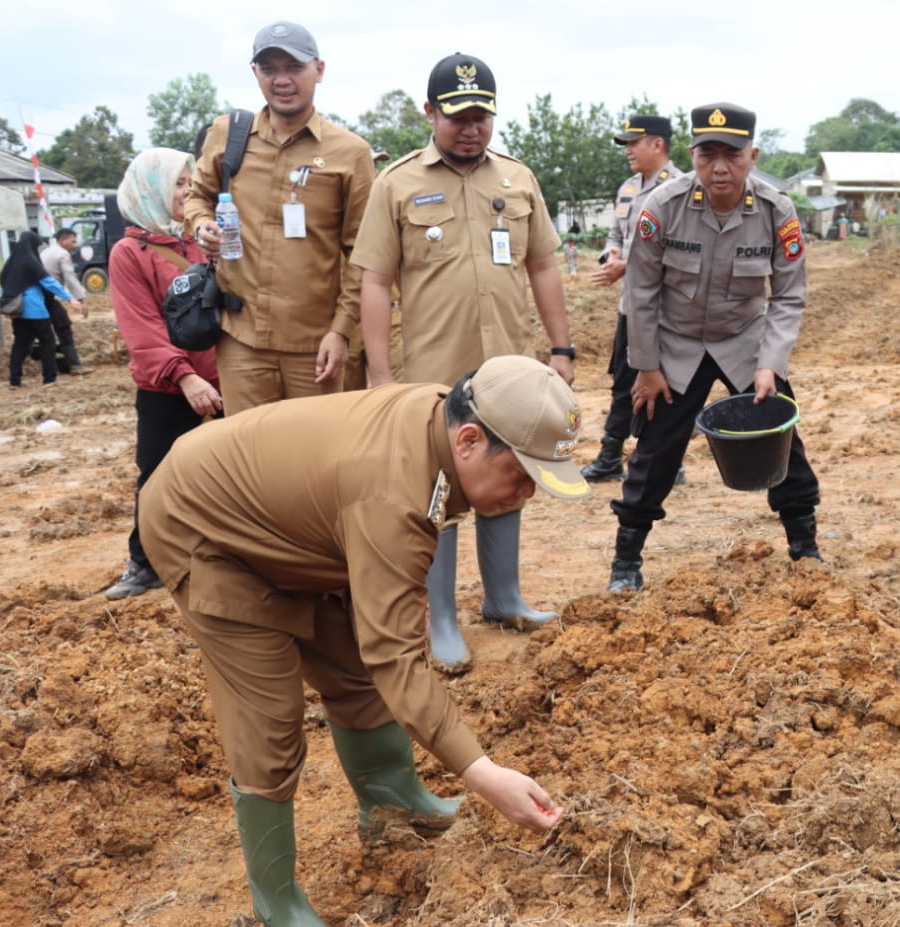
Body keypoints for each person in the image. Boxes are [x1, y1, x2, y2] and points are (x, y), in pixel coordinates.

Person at [139, 355, 584, 927]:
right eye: (523, 475)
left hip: (293, 530)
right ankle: (279, 901)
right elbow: (396, 656)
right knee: (268, 718)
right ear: (470, 440)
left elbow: (380, 631)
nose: (528, 493)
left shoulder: (438, 426)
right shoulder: (393, 488)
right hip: (207, 529)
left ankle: (391, 800)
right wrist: (481, 773)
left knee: (348, 661)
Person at [352, 52, 579, 670]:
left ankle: (504, 598)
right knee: (438, 489)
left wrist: (560, 349)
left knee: (508, 476)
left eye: (482, 116)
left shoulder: (517, 178)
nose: (471, 128)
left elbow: (542, 266)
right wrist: (380, 376)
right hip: (433, 372)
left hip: (509, 367)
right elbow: (375, 282)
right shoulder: (396, 183)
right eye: (457, 116)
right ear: (430, 113)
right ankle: (442, 618)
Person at [610, 102, 822, 591]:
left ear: (753, 155)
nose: (719, 168)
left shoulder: (776, 210)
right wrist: (646, 366)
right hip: (675, 343)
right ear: (692, 154)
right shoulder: (661, 207)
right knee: (655, 451)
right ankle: (626, 562)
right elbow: (640, 292)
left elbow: (789, 295)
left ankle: (805, 547)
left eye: (732, 155)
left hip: (746, 338)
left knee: (784, 440)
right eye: (708, 155)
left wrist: (770, 363)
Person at [185, 21, 373, 414]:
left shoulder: (349, 153)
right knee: (247, 455)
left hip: (315, 346)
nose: (282, 79)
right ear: (255, 73)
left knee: (314, 459)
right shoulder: (227, 136)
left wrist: (341, 332)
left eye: (294, 67)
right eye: (269, 68)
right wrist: (202, 225)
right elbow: (197, 196)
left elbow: (363, 254)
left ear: (318, 70)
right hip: (241, 340)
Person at [103, 148, 224, 600]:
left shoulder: (205, 241)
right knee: (156, 476)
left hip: (225, 379)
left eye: (190, 181)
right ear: (150, 190)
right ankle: (145, 562)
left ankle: (224, 559)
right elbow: (142, 329)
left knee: (228, 473)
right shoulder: (129, 253)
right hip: (168, 388)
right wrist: (185, 377)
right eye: (177, 183)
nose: (188, 190)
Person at [580, 113, 684, 484]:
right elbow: (615, 235)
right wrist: (610, 257)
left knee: (668, 383)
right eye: (625, 143)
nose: (627, 150)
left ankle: (668, 462)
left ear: (657, 144)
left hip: (668, 309)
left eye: (633, 143)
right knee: (625, 379)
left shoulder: (680, 190)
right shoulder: (627, 189)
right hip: (632, 306)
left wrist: (627, 266)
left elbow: (681, 251)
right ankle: (611, 455)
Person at [0, 233, 85, 389]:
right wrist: (70, 298)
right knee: (48, 342)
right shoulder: (31, 262)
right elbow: (49, 283)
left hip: (17, 311)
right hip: (35, 309)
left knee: (20, 344)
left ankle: (14, 381)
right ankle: (49, 379)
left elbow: (4, 286)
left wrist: (10, 308)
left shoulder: (10, 264)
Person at [35, 228, 93, 375]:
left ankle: (56, 365)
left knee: (44, 333)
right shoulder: (62, 254)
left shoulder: (46, 252)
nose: (75, 245)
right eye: (72, 241)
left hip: (39, 298)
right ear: (62, 240)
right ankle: (74, 366)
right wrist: (82, 300)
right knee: (64, 329)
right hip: (51, 297)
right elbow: (70, 278)